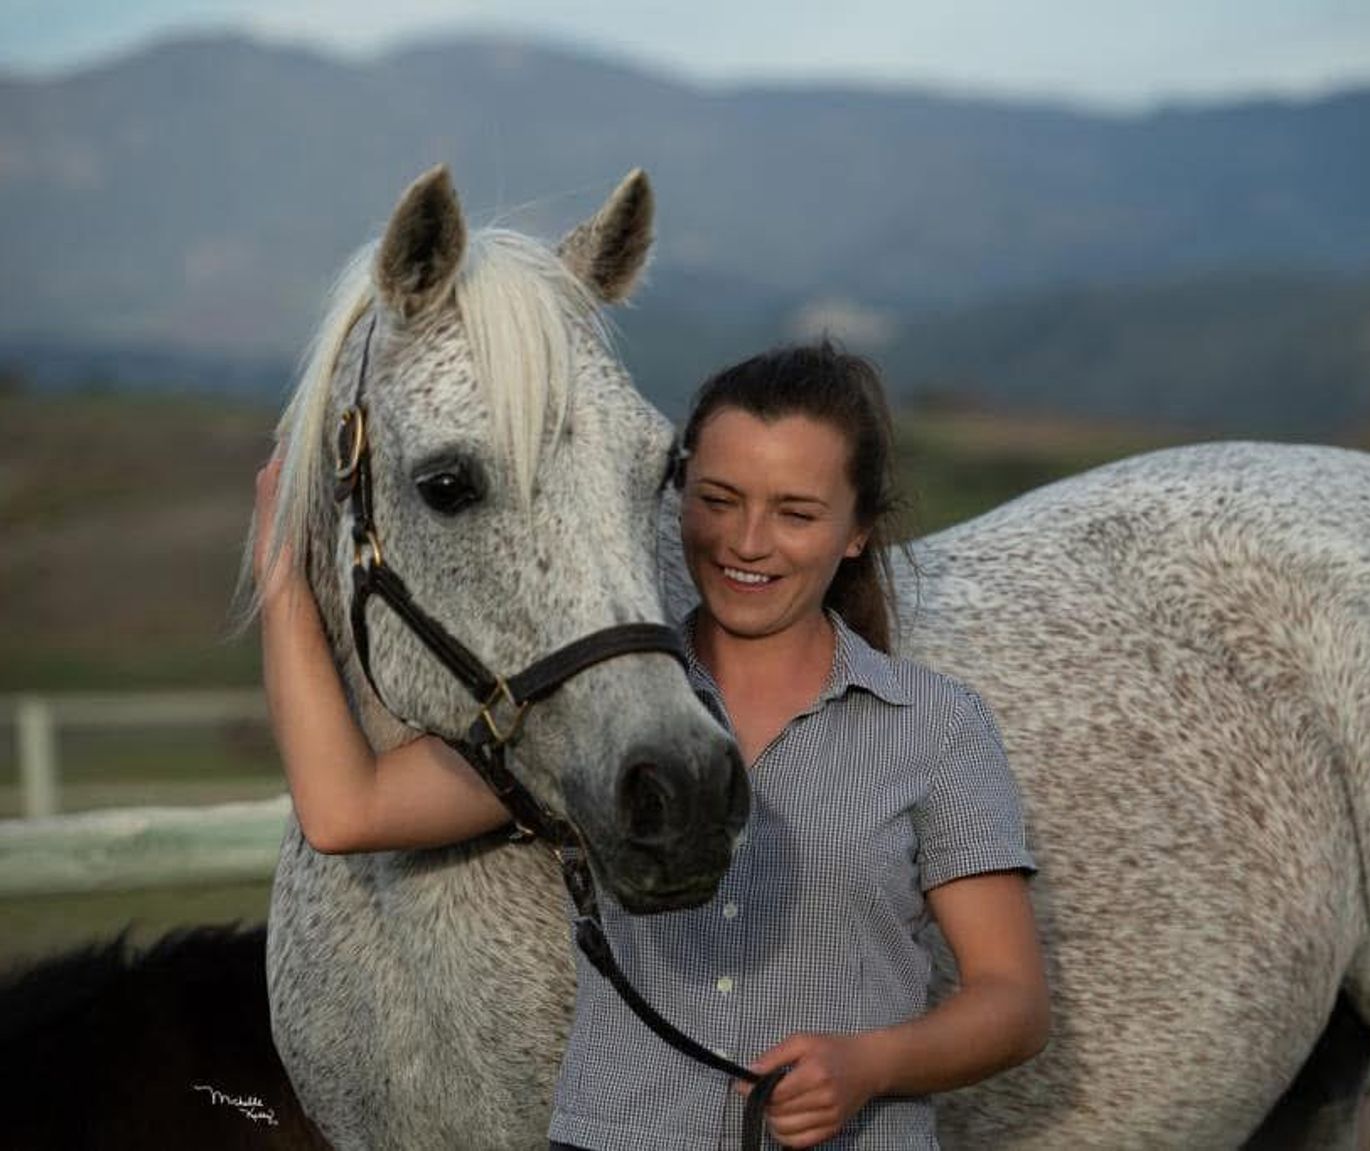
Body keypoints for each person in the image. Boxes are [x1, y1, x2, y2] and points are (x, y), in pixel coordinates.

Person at [254, 340, 1050, 1150]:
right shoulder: (593, 721)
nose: (748, 541)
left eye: (797, 513)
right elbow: (346, 810)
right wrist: (283, 573)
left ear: (856, 532)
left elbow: (1013, 1002)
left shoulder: (934, 725)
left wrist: (870, 1065)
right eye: (719, 499)